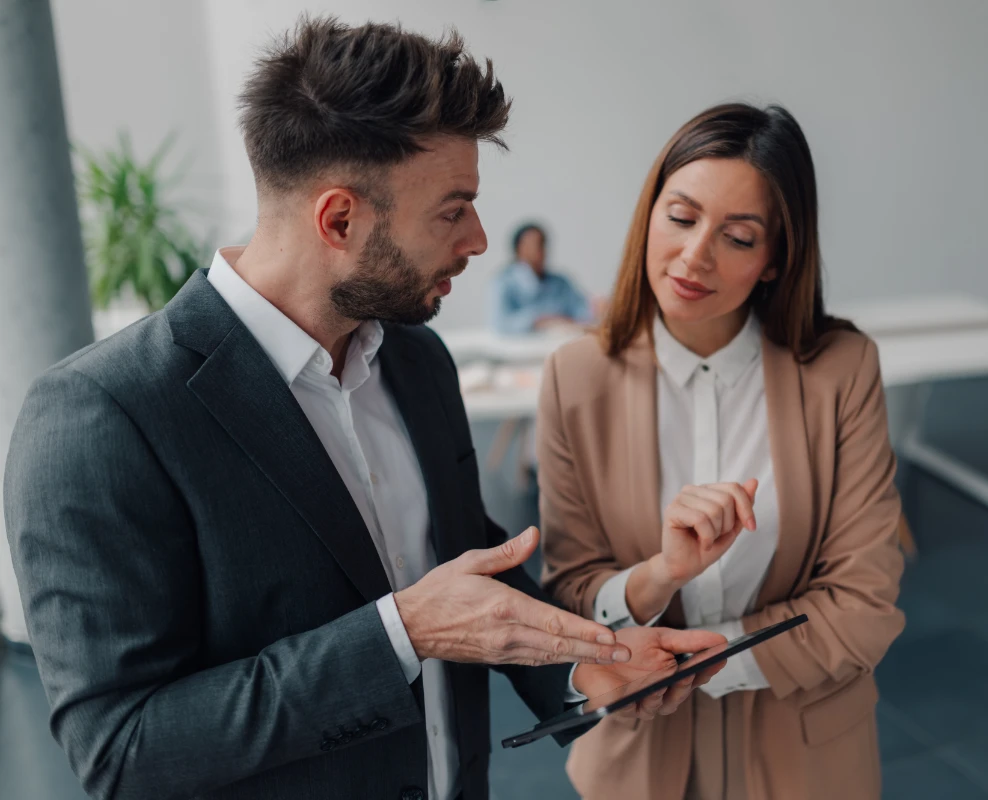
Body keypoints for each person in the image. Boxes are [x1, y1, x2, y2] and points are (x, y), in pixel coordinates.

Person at [3, 18, 724, 800]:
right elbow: (122, 750)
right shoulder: (97, 418)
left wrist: (588, 669)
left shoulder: (416, 359)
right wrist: (402, 634)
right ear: (339, 220)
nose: (481, 239)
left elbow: (455, 560)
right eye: (453, 211)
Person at [538, 103, 907, 800]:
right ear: (651, 213)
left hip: (807, 754)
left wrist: (696, 660)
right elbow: (570, 592)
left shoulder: (842, 369)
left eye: (738, 237)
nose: (694, 257)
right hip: (638, 756)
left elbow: (864, 601)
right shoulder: (575, 376)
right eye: (681, 218)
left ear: (775, 260)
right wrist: (659, 575)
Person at [490, 223, 598, 333]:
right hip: (520, 347)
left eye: (542, 243)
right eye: (534, 244)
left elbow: (581, 312)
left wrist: (594, 308)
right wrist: (537, 320)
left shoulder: (560, 282)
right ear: (519, 248)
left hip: (556, 344)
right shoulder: (503, 282)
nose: (540, 249)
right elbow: (500, 323)